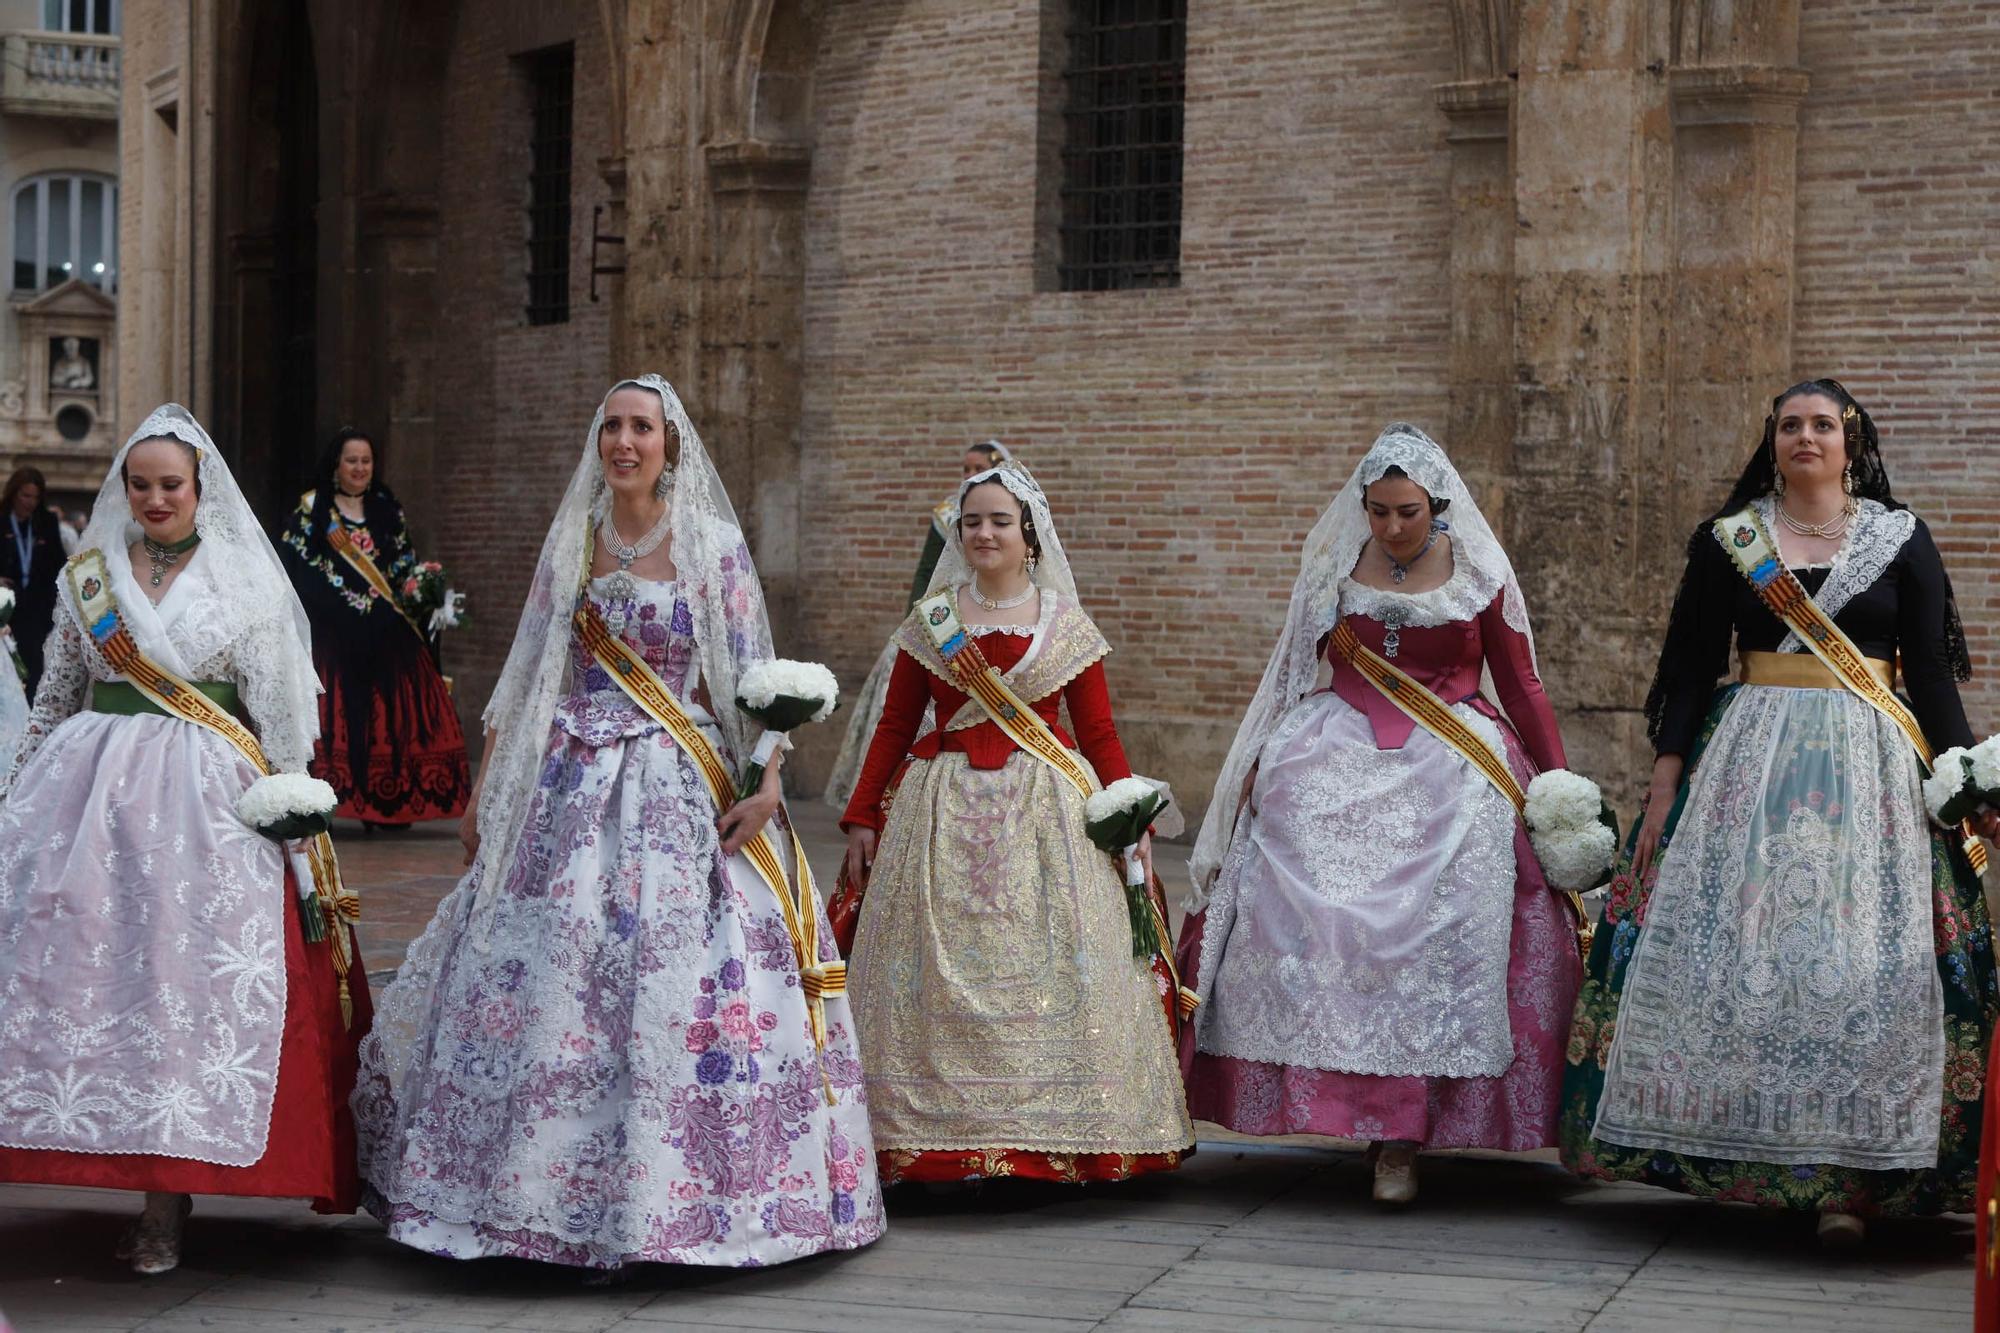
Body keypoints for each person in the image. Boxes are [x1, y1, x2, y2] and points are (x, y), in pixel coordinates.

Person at [353, 376, 884, 1270]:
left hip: (684, 782)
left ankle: (708, 1201)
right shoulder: (572, 543)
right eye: (612, 428)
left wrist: (767, 788)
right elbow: (526, 678)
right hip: (571, 783)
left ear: (669, 443)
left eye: (642, 427)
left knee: (685, 977)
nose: (625, 442)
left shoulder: (711, 544)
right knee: (560, 972)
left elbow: (758, 678)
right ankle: (534, 1200)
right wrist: (487, 798)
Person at [1560, 379, 2000, 1245]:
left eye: (1823, 424)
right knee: (1744, 947)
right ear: (1773, 442)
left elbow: (1935, 678)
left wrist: (1967, 785)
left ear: (1851, 440)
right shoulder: (1731, 542)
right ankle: (1745, 1157)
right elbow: (1689, 669)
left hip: (1870, 769)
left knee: (1863, 952)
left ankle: (1854, 1184)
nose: (1807, 436)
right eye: (1791, 425)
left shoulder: (1899, 538)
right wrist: (1661, 784)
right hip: (1747, 768)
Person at [0, 405, 370, 1274]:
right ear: (123, 490)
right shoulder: (87, 577)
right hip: (86, 803)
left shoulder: (244, 582)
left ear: (202, 487)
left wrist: (296, 821)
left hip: (209, 808)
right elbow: (54, 700)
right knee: (83, 981)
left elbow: (279, 715)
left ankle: (166, 1204)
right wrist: (16, 793)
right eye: (142, 485)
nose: (156, 498)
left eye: (172, 485)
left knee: (179, 986)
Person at [1178, 424, 1581, 1205]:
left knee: (1453, 903)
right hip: (1334, 747)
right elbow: (1294, 669)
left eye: (1407, 512)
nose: (1392, 528)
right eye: (1378, 511)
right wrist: (1262, 762)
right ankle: (1341, 1109)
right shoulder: (1334, 564)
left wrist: (1559, 789)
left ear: (1438, 505)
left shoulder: (1477, 572)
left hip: (1455, 752)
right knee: (1301, 891)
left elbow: (1521, 686)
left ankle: (1407, 1132)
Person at [839, 461, 1194, 1185]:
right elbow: (895, 723)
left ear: (1029, 534)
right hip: (940, 811)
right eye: (973, 522)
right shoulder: (932, 620)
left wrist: (1129, 816)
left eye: (1001, 520)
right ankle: (927, 1136)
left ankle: (1066, 1133)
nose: (985, 532)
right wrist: (860, 814)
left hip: (1047, 816)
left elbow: (1097, 733)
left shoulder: (1065, 624)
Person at [279, 429, 471, 826]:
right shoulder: (313, 510)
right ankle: (329, 799)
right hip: (332, 630)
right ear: (337, 465)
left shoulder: (387, 509)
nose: (360, 469)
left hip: (385, 628)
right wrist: (344, 607)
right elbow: (299, 566)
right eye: (352, 461)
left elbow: (401, 562)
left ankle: (390, 804)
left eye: (366, 461)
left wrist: (418, 587)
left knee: (401, 705)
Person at [823, 439, 1013, 815]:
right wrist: (920, 621)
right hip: (942, 624)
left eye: (978, 467)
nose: (970, 475)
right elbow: (927, 571)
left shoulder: (1014, 515)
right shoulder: (947, 515)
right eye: (966, 469)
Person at [0, 466, 62, 696]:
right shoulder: (2, 520)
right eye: (26, 496)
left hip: (38, 609)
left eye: (35, 497)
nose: (30, 502)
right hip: (5, 609)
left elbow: (58, 563)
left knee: (33, 668)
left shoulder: (46, 522)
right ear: (14, 493)